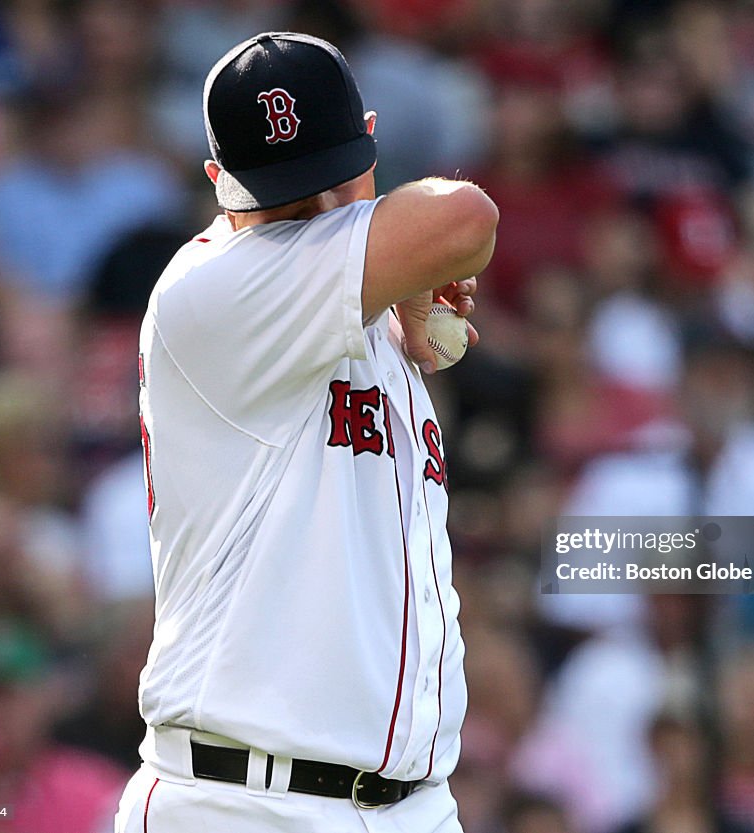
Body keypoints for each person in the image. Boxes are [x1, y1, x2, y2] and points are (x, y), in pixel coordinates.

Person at [114, 32, 498, 833]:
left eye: (328, 181)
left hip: (412, 806)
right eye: (281, 196)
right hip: (237, 802)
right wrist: (411, 268)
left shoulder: (377, 326)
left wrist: (408, 291)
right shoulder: (215, 290)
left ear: (370, 140)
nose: (314, 214)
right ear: (220, 183)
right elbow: (466, 215)